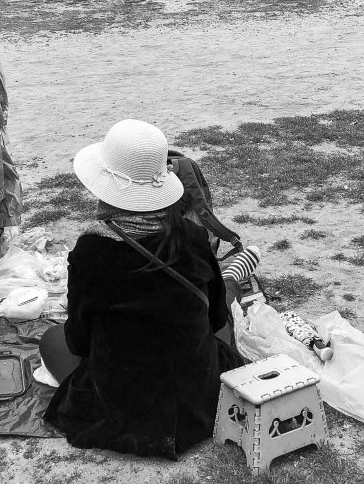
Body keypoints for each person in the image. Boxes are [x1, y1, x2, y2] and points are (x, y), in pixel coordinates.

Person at [42, 120, 253, 459]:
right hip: (196, 404)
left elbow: (78, 342)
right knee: (222, 316)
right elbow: (215, 321)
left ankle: (231, 278)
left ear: (105, 185)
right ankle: (232, 277)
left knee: (51, 340)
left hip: (123, 408)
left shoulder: (91, 251)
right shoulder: (193, 238)